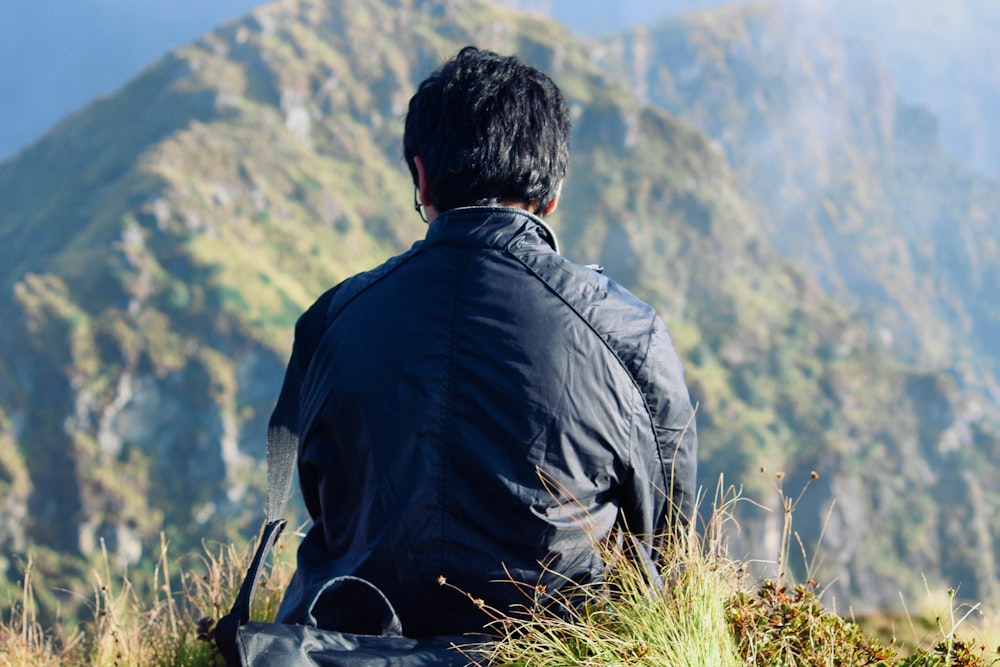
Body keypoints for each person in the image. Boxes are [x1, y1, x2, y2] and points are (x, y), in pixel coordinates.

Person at [269, 45, 698, 638]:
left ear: (421, 177)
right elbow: (667, 540)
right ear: (553, 190)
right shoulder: (627, 334)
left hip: (352, 647)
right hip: (562, 648)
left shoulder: (330, 321)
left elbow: (325, 502)